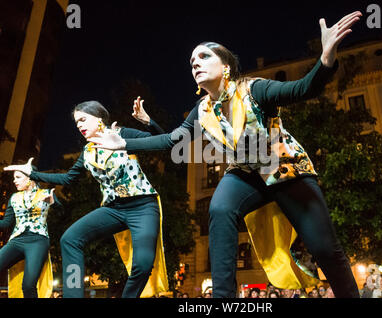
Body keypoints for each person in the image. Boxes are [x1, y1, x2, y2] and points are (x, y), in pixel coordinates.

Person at [88, 11, 363, 298]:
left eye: (204, 56)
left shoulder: (254, 89)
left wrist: (326, 59)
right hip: (244, 174)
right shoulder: (202, 109)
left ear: (227, 65)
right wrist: (123, 144)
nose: (195, 62)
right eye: (192, 61)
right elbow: (173, 140)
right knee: (219, 208)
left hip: (284, 169)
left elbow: (302, 89)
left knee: (324, 248)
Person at [4, 100, 168, 298]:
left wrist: (147, 120)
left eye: (83, 119)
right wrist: (32, 174)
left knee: (143, 264)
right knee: (70, 239)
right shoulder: (88, 151)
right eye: (76, 123)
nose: (79, 125)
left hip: (142, 205)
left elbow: (163, 142)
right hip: (113, 209)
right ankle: (73, 295)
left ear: (99, 118)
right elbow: (67, 178)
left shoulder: (121, 134)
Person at [0, 166, 58, 297]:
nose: (15, 181)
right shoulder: (14, 198)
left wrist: (53, 203)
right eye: (14, 178)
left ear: (30, 178)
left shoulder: (46, 193)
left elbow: (64, 212)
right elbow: (6, 223)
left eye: (18, 177)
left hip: (38, 241)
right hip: (17, 240)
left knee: (28, 285)